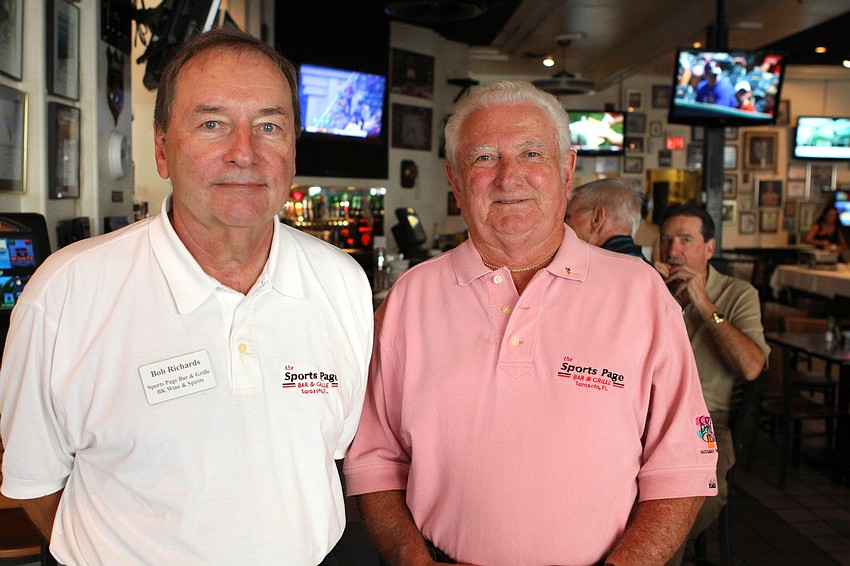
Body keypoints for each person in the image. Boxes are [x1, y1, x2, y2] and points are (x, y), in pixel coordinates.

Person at [0, 27, 373, 565]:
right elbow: (36, 482)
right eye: (212, 124)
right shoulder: (66, 294)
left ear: (292, 149)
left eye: (269, 125)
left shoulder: (341, 282)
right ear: (161, 149)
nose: (243, 153)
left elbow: (326, 452)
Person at [343, 81, 718, 565]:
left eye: (531, 153)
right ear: (455, 180)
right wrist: (411, 560)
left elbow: (682, 464)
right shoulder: (410, 298)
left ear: (566, 169)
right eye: (483, 158)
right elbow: (375, 461)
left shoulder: (640, 294)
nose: (509, 177)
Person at [655, 204, 769, 564]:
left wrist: (704, 303)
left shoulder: (738, 294)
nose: (673, 251)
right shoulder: (649, 288)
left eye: (686, 240)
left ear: (709, 248)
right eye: (666, 240)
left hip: (705, 421)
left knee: (692, 496)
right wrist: (659, 298)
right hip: (646, 415)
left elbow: (752, 367)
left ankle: (653, 552)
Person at [565, 177, 651, 263]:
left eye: (568, 216)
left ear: (597, 218)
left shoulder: (599, 269)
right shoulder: (649, 270)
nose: (564, 224)